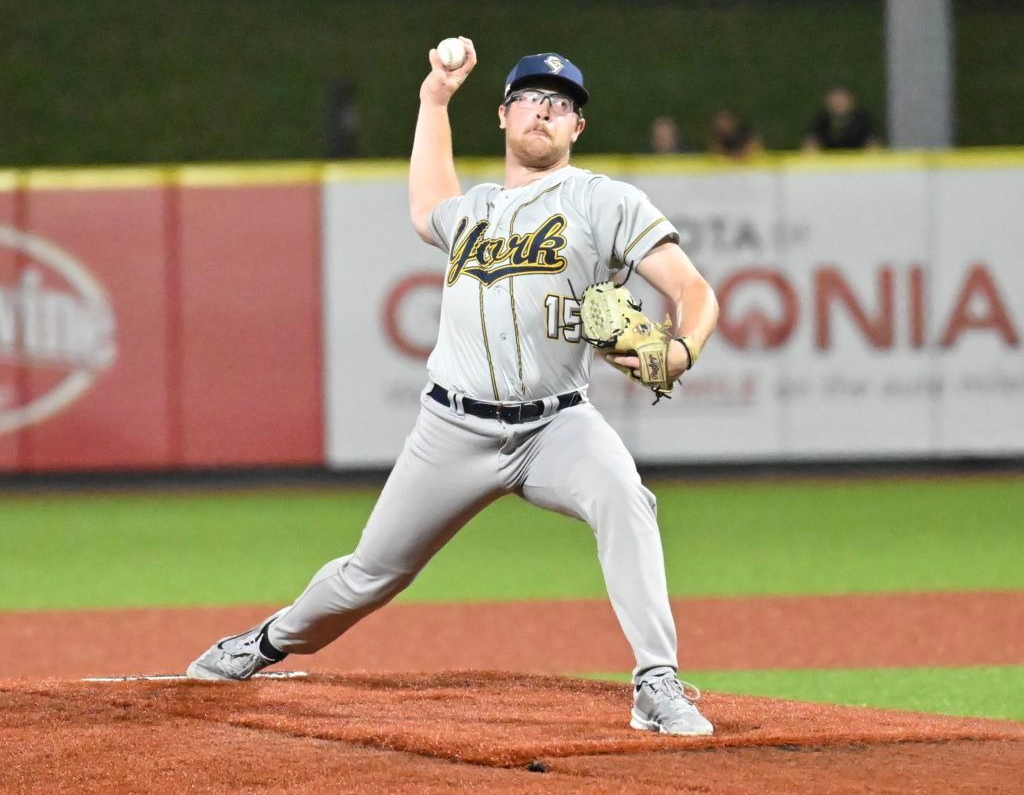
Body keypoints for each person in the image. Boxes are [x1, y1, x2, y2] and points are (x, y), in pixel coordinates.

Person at [187, 41, 720, 737]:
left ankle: (657, 682)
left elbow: (692, 288)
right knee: (370, 575)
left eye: (562, 106)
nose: (546, 112)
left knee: (626, 499)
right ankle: (266, 642)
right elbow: (425, 203)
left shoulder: (603, 200)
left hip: (557, 427)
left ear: (576, 129)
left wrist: (682, 348)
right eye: (532, 98)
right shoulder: (471, 212)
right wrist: (434, 97)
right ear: (503, 116)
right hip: (454, 429)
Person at [802, 85, 882, 152]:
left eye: (841, 100)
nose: (838, 104)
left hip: (859, 167)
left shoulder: (863, 120)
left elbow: (874, 146)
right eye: (834, 100)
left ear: (851, 101)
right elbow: (810, 145)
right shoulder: (820, 120)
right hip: (828, 166)